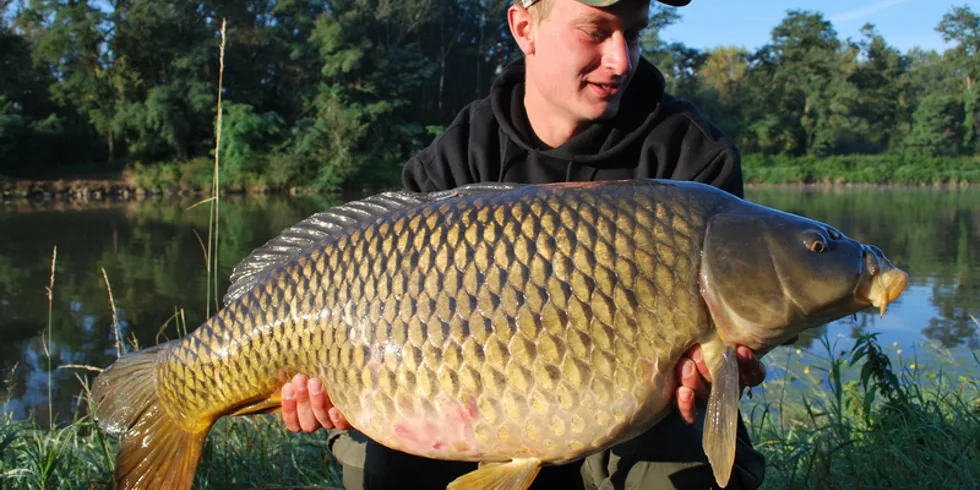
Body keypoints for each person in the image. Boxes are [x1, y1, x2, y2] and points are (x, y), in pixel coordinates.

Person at [280, 0, 770, 488]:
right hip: (472, 415)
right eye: (596, 31)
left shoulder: (693, 159)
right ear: (523, 28)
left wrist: (723, 365)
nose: (621, 59)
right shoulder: (453, 162)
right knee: (378, 452)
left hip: (632, 426)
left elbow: (744, 326)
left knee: (679, 460)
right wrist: (341, 385)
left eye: (634, 33)